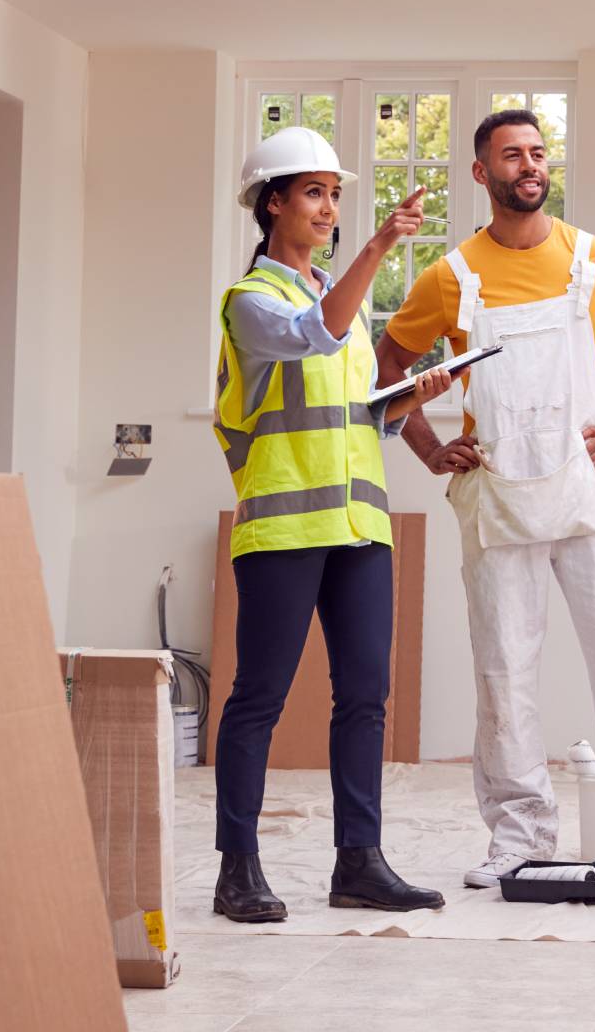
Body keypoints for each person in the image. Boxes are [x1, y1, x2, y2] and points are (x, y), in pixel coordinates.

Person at [376, 108, 595, 888]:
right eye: (511, 155)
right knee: (504, 674)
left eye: (537, 153)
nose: (529, 165)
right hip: (496, 502)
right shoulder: (450, 278)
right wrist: (429, 449)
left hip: (589, 497)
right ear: (481, 174)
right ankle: (519, 841)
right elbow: (387, 366)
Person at [211, 125, 453, 923]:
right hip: (283, 530)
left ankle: (360, 862)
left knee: (365, 698)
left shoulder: (328, 298)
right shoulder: (253, 301)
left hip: (358, 527)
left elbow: (350, 414)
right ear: (271, 202)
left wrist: (401, 405)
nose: (329, 206)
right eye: (313, 191)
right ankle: (236, 870)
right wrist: (382, 244)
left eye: (334, 193)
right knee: (259, 701)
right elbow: (317, 338)